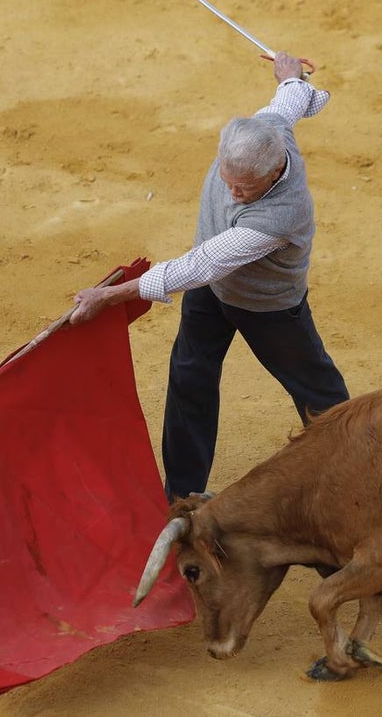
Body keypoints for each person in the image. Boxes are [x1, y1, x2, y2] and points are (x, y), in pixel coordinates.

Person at [70, 51, 349, 501]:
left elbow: (199, 265)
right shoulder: (265, 132)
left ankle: (363, 474)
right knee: (189, 379)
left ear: (275, 170)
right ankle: (181, 500)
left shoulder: (280, 214)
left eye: (245, 189)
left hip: (269, 307)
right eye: (228, 181)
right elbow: (290, 99)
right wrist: (290, 73)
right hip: (211, 294)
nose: (233, 194)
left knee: (321, 396)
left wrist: (114, 295)